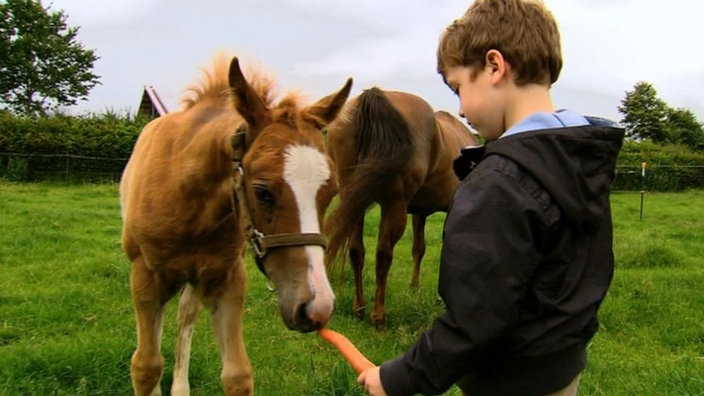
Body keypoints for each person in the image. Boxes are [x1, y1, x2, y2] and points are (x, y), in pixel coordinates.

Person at [357, 0, 625, 395]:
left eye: (459, 87)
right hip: (562, 369)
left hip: (506, 380)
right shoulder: (581, 157)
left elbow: (475, 320)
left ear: (495, 66)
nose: (460, 109)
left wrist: (397, 378)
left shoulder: (500, 181)